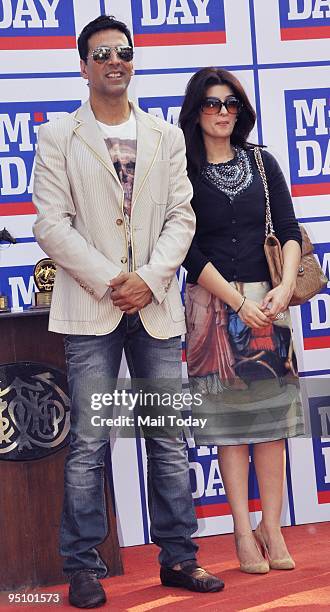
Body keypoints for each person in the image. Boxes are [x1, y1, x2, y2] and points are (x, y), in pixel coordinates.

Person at [32, 17, 224, 609]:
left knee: (167, 440)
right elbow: (49, 222)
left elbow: (182, 218)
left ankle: (179, 558)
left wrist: (147, 278)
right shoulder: (58, 136)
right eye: (102, 53)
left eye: (124, 51)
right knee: (89, 441)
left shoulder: (164, 136)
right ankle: (83, 568)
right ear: (84, 65)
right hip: (93, 309)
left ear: (132, 60)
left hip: (157, 307)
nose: (115, 60)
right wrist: (112, 280)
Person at [179, 67, 305, 575]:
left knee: (270, 428)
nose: (223, 112)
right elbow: (187, 249)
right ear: (196, 110)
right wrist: (235, 301)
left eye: (231, 103)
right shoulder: (181, 170)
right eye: (212, 103)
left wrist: (284, 286)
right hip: (213, 308)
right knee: (232, 429)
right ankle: (240, 529)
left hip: (269, 305)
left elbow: (291, 231)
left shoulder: (261, 161)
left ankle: (270, 528)